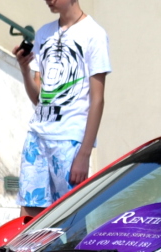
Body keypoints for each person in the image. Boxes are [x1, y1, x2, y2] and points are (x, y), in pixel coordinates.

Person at [12, 0, 110, 217]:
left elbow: (98, 99)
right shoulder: (43, 34)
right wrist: (24, 68)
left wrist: (84, 154)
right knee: (29, 215)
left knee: (70, 218)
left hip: (69, 140)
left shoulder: (94, 34)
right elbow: (39, 98)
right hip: (37, 137)